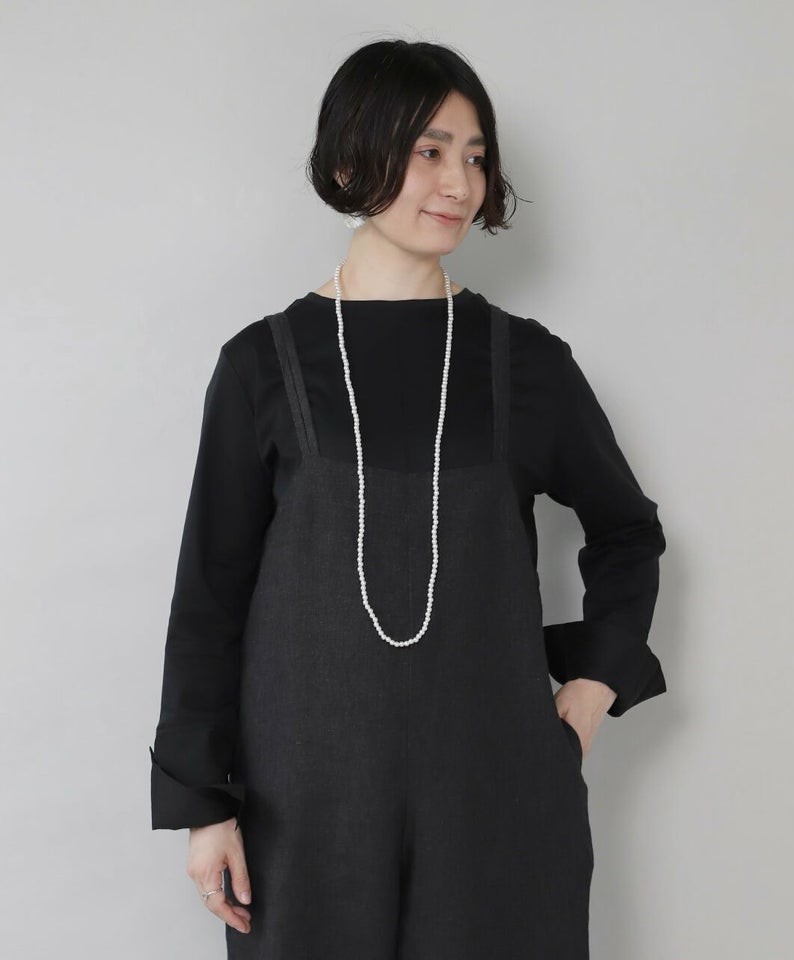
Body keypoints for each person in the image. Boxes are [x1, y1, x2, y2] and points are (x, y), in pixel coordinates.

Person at [149, 38, 667, 959]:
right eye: (430, 151)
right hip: (301, 809)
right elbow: (209, 599)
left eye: (475, 156)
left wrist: (591, 690)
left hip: (495, 798)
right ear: (354, 160)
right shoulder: (263, 365)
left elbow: (627, 531)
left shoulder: (526, 362)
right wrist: (203, 807)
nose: (458, 183)